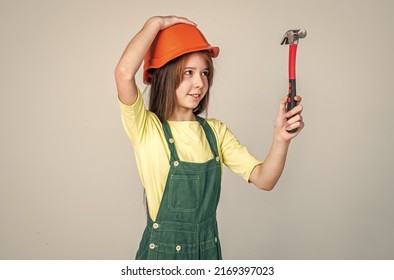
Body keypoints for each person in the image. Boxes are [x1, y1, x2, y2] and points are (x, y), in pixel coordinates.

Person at [114, 16, 304, 260]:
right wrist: (155, 23)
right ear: (164, 75)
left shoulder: (215, 132)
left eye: (204, 73)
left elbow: (265, 179)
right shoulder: (146, 128)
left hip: (208, 253)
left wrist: (281, 138)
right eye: (188, 73)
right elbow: (123, 73)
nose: (199, 83)